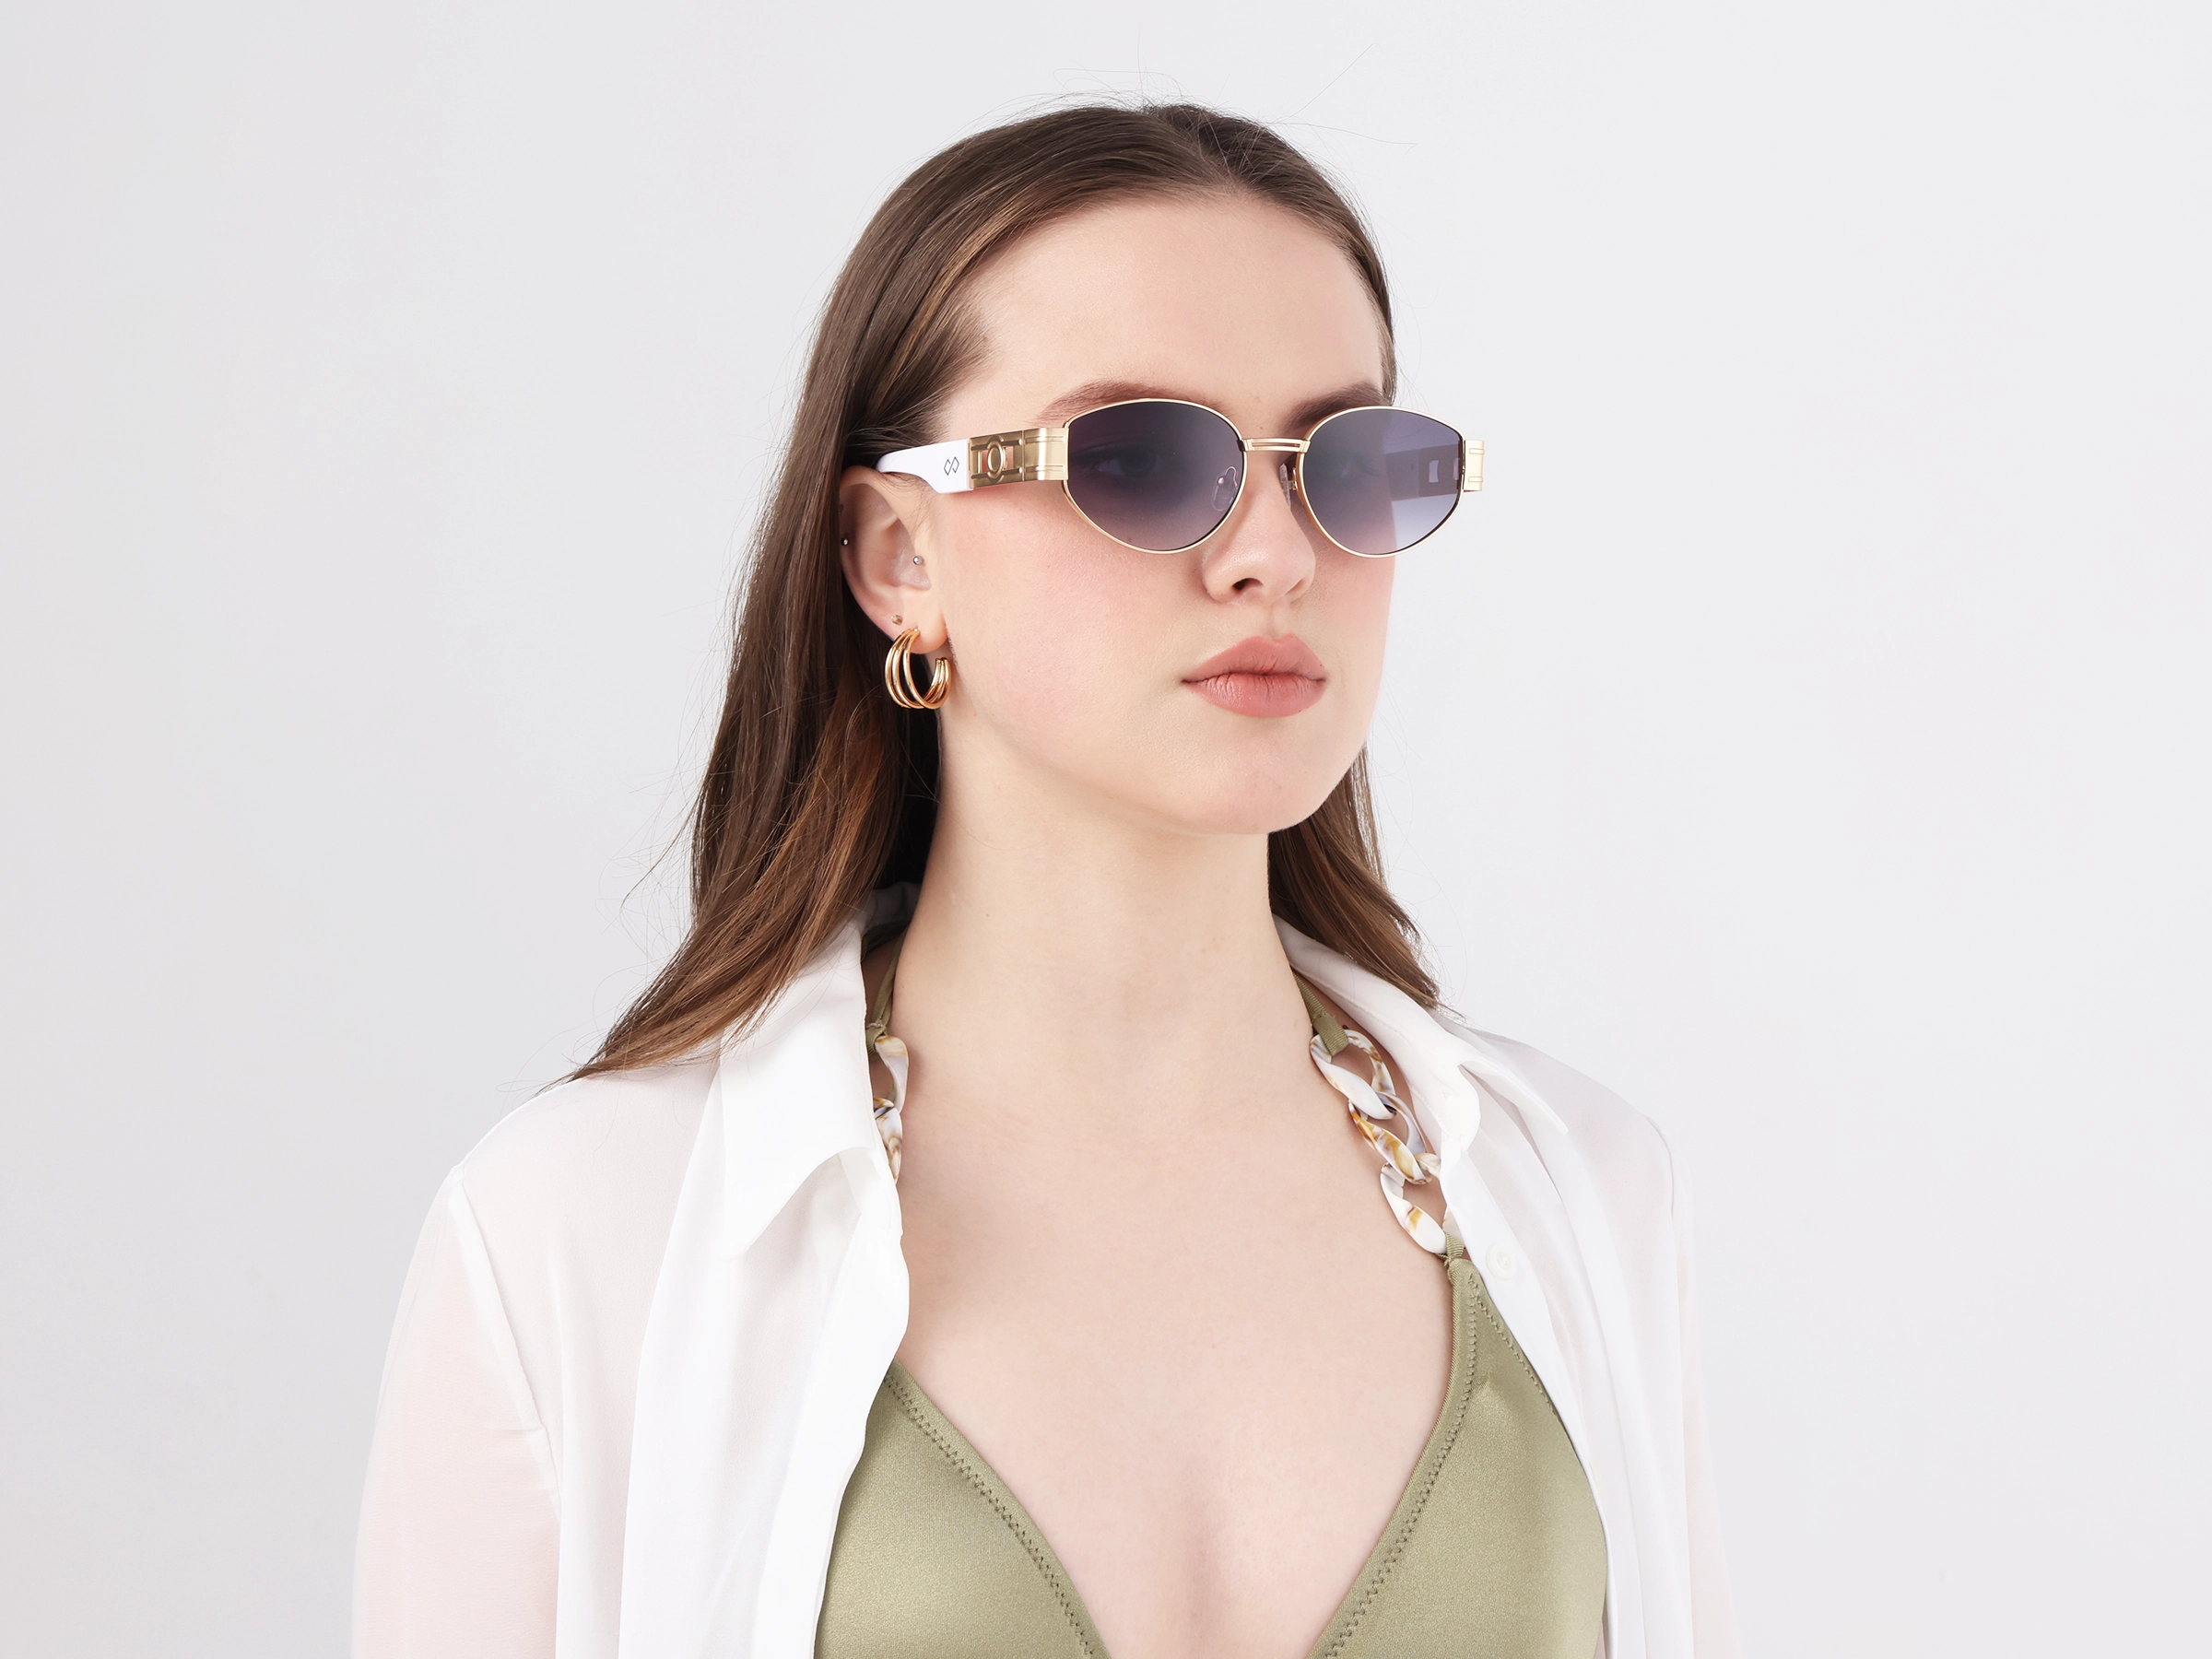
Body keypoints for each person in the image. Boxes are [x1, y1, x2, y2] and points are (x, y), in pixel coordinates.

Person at [352, 102, 1737, 1659]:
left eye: (1347, 467)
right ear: (899, 557)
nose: (1275, 555)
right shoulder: (580, 1231)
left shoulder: (1588, 1195)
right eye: (1141, 461)